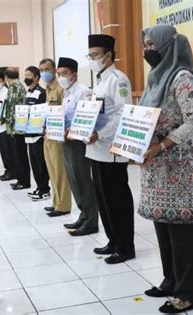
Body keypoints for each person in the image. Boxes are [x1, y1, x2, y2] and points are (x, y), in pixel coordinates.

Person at [138, 24, 193, 313]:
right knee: (163, 225)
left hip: (178, 165)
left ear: (167, 45)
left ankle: (188, 292)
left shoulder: (182, 78)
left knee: (181, 229)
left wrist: (160, 145)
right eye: (146, 45)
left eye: (152, 45)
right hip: (156, 165)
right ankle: (170, 280)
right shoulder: (156, 77)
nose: (147, 50)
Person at [86, 34, 135, 263]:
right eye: (90, 55)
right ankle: (112, 240)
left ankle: (125, 246)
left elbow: (124, 114)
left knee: (117, 198)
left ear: (108, 55)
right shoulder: (100, 80)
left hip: (112, 148)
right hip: (95, 148)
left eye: (95, 55)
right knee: (103, 198)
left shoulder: (118, 79)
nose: (92, 59)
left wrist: (100, 134)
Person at [55, 57, 99, 233]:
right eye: (58, 74)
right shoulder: (66, 93)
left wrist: (73, 131)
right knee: (74, 181)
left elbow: (88, 118)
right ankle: (83, 216)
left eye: (64, 73)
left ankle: (91, 221)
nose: (60, 77)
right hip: (66, 141)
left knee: (83, 181)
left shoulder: (83, 92)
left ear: (74, 74)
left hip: (79, 143)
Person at [39, 58, 72, 214]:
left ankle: (63, 205)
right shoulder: (48, 88)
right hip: (48, 134)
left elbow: (66, 112)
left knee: (60, 171)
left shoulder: (60, 88)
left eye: (47, 69)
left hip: (58, 136)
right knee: (51, 170)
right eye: (42, 70)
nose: (44, 73)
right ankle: (55, 201)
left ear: (54, 70)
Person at [24, 66, 50, 201]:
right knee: (33, 162)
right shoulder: (28, 92)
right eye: (25, 75)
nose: (26, 78)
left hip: (38, 134)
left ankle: (45, 189)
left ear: (36, 77)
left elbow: (42, 113)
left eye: (28, 76)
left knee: (41, 163)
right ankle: (39, 186)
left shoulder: (42, 92)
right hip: (28, 134)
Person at [3, 67, 29, 190]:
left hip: (17, 127)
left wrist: (11, 128)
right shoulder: (21, 85)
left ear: (6, 78)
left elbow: (13, 107)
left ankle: (23, 181)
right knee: (20, 154)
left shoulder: (13, 87)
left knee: (19, 155)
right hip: (21, 124)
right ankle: (21, 179)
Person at [0, 67, 15, 182]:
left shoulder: (7, 92)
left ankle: (12, 171)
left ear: (4, 81)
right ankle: (7, 170)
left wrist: (4, 118)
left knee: (8, 151)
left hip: (5, 126)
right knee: (3, 151)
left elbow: (8, 108)